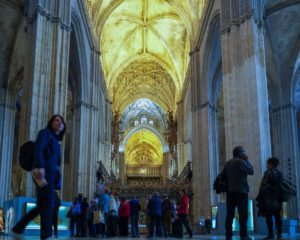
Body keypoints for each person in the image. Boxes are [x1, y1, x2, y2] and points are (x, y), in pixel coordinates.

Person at [11, 114, 65, 240]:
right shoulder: (45, 133)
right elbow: (39, 148)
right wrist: (40, 166)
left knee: (41, 205)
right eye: (56, 120)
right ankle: (46, 236)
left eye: (61, 121)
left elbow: (55, 164)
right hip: (40, 172)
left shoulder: (56, 142)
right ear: (51, 122)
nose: (59, 123)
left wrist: (57, 180)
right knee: (49, 203)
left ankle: (17, 228)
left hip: (49, 176)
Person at [224, 146, 254, 240]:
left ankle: (228, 235)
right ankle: (243, 235)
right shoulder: (240, 161)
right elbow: (251, 171)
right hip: (241, 191)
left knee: (230, 214)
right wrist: (247, 160)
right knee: (243, 214)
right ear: (240, 153)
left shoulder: (228, 163)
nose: (244, 154)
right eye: (243, 152)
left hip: (230, 192)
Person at [256, 157, 284, 240]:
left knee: (268, 217)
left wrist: (260, 196)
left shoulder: (268, 172)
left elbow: (263, 186)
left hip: (268, 198)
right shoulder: (279, 173)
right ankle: (279, 235)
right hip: (277, 198)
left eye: (267, 164)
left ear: (270, 164)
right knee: (278, 216)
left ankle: (271, 234)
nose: (267, 166)